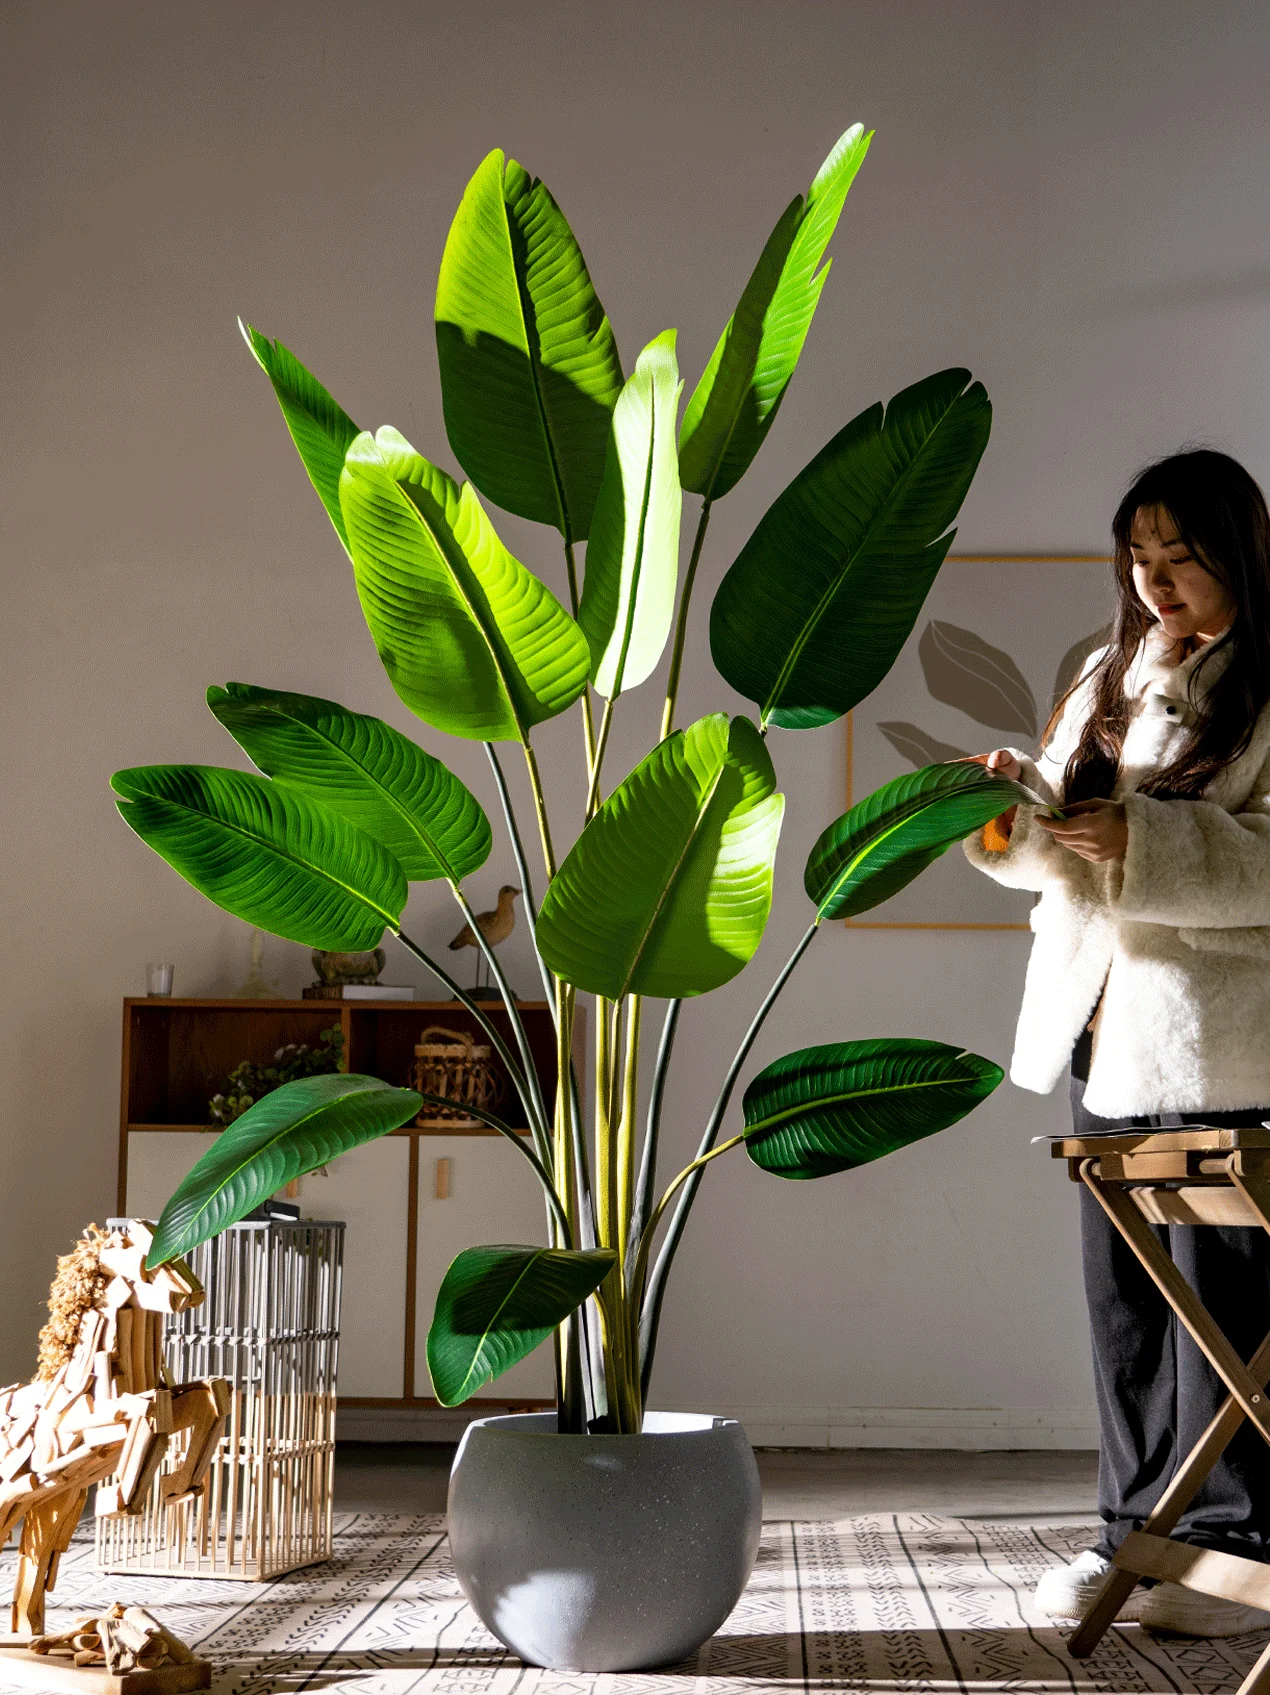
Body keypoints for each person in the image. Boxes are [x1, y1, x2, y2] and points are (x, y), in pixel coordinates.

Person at [966, 449, 1270, 1637]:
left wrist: (1137, 840)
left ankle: (1232, 1546)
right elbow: (1073, 850)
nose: (1152, 583)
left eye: (1177, 558)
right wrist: (1016, 819)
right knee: (1124, 1310)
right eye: (1137, 559)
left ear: (1235, 548)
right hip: (1104, 1031)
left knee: (1225, 1312)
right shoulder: (1110, 669)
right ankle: (1127, 1538)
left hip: (1223, 1048)